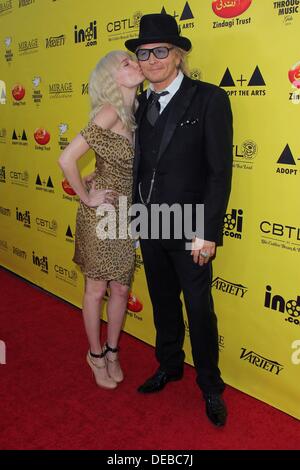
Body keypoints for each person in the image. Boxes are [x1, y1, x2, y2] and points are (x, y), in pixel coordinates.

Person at [125, 14, 233, 426]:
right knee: (163, 302)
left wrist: (207, 232)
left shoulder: (209, 98)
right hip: (150, 223)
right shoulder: (138, 102)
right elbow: (139, 166)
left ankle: (209, 384)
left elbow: (219, 172)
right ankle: (169, 365)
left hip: (191, 228)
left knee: (200, 309)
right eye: (143, 52)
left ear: (179, 54)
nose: (151, 59)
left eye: (160, 51)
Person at [58, 51, 144, 389]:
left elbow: (118, 159)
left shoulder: (136, 113)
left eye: (132, 60)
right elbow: (66, 158)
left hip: (126, 215)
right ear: (111, 79)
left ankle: (112, 351)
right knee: (96, 289)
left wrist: (97, 172)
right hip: (101, 215)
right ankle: (95, 355)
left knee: (121, 288)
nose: (135, 63)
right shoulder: (109, 112)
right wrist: (86, 195)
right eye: (125, 64)